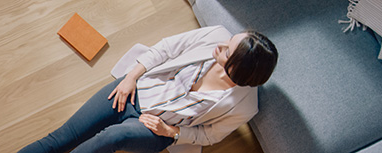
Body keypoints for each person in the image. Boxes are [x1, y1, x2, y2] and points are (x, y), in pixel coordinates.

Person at [19, 25, 278, 153]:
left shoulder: (244, 106)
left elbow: (210, 135)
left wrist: (172, 131)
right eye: (228, 42)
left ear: (236, 71)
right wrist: (132, 76)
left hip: (157, 126)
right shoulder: (216, 35)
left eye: (226, 51)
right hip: (135, 90)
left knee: (110, 138)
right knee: (62, 138)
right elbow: (166, 48)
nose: (220, 45)